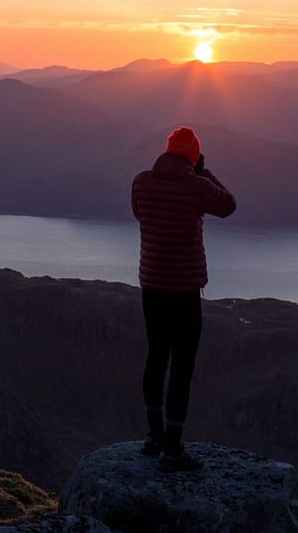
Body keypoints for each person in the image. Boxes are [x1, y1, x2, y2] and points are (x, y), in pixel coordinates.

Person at [130, 125, 237, 471]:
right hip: (185, 290)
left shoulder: (141, 182)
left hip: (152, 288)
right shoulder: (197, 186)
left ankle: (154, 437)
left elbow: (140, 214)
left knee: (156, 358)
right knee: (182, 366)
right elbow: (228, 205)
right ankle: (174, 450)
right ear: (193, 155)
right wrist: (204, 172)